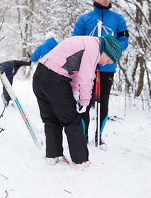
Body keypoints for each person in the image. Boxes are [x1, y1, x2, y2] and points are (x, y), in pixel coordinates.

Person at [32, 35, 122, 169]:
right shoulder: (93, 47)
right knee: (72, 119)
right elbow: (86, 77)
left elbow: (74, 72)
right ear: (106, 51)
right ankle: (80, 160)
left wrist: (75, 94)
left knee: (51, 118)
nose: (104, 64)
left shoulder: (84, 42)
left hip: (40, 75)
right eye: (108, 60)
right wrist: (84, 102)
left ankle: (53, 155)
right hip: (55, 79)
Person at [72, 0, 129, 145]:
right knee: (85, 102)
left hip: (107, 67)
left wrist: (110, 52)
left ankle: (99, 136)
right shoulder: (85, 19)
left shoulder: (118, 19)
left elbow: (124, 41)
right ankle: (82, 136)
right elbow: (75, 40)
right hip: (87, 68)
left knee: (103, 101)